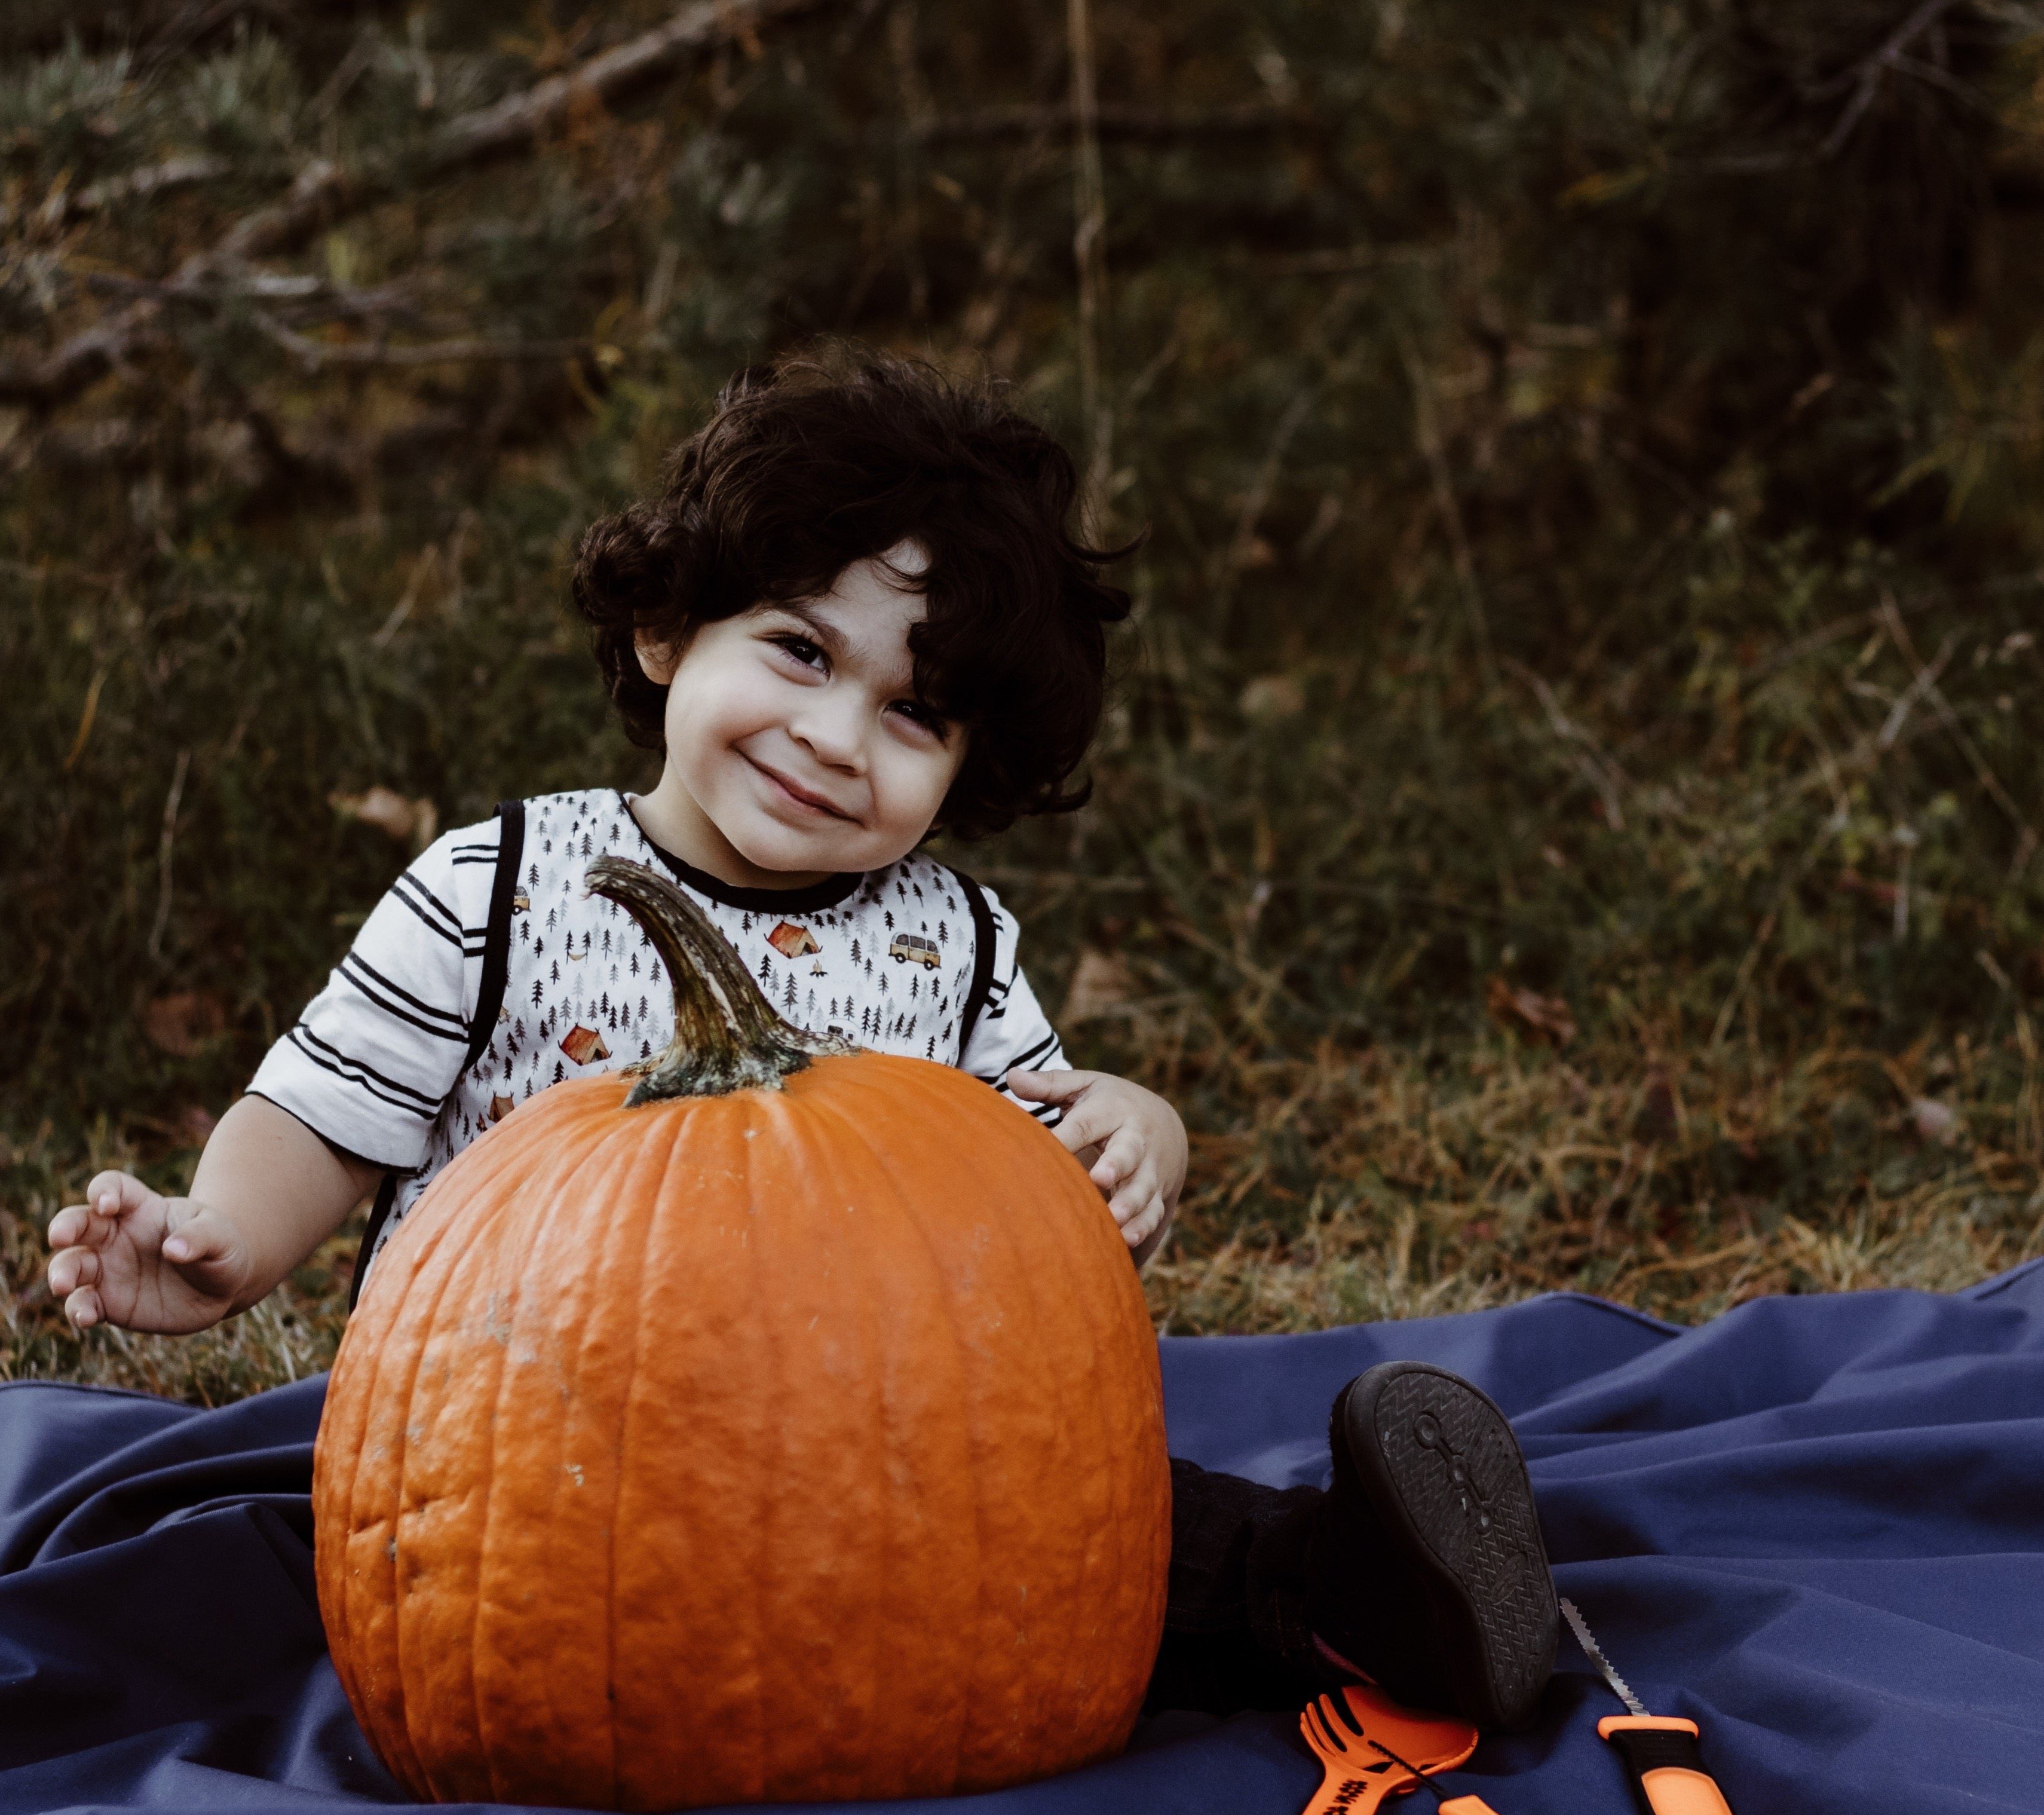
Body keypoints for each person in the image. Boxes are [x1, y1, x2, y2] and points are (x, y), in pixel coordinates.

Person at [45, 350, 1558, 1729]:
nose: (838, 738)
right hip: (517, 1480)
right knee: (261, 1585)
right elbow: (324, 1112)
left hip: (870, 1480)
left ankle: (1358, 1593)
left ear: (967, 765)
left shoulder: (943, 946)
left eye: (916, 714)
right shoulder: (499, 888)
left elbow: (1030, 1200)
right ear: (662, 630)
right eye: (800, 652)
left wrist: (1135, 1131)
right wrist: (221, 1239)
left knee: (1122, 1533)